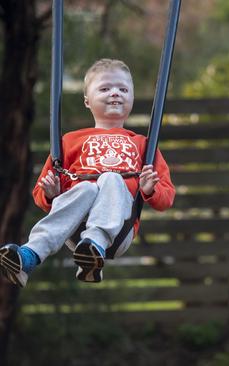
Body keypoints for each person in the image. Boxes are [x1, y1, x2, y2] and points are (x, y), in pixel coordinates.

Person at [0, 59, 175, 287]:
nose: (115, 93)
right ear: (87, 100)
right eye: (105, 88)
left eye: (123, 89)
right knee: (86, 187)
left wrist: (149, 190)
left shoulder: (144, 145)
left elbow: (166, 197)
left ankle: (95, 246)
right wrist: (52, 193)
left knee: (111, 177)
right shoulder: (70, 141)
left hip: (118, 229)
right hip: (75, 227)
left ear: (131, 97)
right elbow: (41, 195)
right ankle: (30, 255)